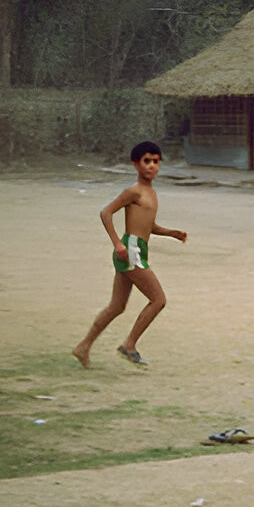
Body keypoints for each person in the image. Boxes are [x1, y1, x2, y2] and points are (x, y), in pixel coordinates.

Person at [73, 141, 187, 368]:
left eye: (155, 161)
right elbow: (106, 213)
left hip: (137, 249)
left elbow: (148, 225)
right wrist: (117, 243)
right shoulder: (133, 192)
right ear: (135, 164)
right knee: (158, 300)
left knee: (117, 306)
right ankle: (129, 345)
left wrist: (171, 233)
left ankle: (83, 347)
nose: (151, 166)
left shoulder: (151, 193)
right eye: (146, 161)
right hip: (130, 250)